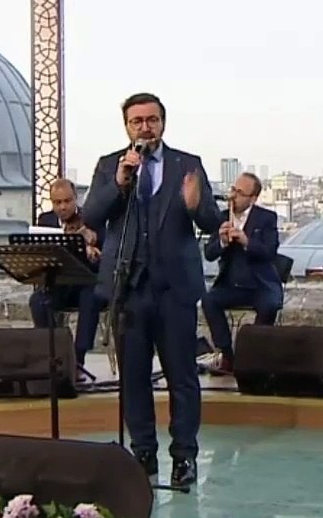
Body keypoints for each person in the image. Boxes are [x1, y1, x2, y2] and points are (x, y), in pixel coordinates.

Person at [83, 92, 222, 487]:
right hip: (129, 289)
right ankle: (143, 451)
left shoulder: (187, 165)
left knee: (182, 377)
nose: (145, 127)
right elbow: (91, 215)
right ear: (127, 126)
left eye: (152, 120)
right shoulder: (110, 165)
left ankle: (184, 456)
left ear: (162, 122)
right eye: (137, 121)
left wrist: (195, 205)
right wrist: (119, 182)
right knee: (134, 377)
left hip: (174, 289)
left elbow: (212, 222)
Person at [200, 172, 284, 374]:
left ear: (252, 199)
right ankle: (227, 355)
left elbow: (269, 252)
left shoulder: (266, 218)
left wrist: (247, 242)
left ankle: (253, 356)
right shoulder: (222, 217)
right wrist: (222, 241)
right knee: (209, 301)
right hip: (231, 284)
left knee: (270, 305)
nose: (233, 196)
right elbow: (209, 254)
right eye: (233, 190)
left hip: (259, 285)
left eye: (239, 193)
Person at [30, 178, 107, 370]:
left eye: (67, 201)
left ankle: (78, 358)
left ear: (75, 198)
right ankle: (55, 353)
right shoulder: (45, 220)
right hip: (60, 283)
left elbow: (106, 259)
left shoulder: (91, 219)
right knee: (38, 301)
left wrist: (92, 254)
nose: (63, 207)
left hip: (87, 283)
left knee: (91, 298)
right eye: (57, 202)